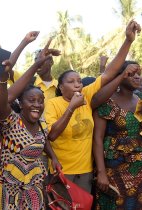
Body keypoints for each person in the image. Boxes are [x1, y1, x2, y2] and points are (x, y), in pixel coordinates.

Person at [44, 20, 141, 193]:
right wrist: (71, 108)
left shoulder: (87, 97)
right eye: (71, 81)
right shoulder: (53, 104)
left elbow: (109, 72)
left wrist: (128, 41)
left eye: (79, 81)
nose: (77, 84)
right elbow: (52, 135)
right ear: (60, 87)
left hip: (85, 171)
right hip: (62, 170)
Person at [0, 36, 60, 209]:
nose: (37, 105)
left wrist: (53, 157)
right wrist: (2, 78)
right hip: (9, 184)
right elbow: (1, 102)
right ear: (21, 104)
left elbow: (43, 141)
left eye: (40, 100)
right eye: (31, 100)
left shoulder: (42, 125)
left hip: (35, 181)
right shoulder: (11, 120)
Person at [91, 61, 142, 209]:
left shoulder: (140, 101)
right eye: (132, 74)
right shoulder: (107, 102)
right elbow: (97, 139)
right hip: (113, 169)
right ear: (120, 76)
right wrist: (101, 173)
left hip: (138, 168)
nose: (137, 77)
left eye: (139, 73)